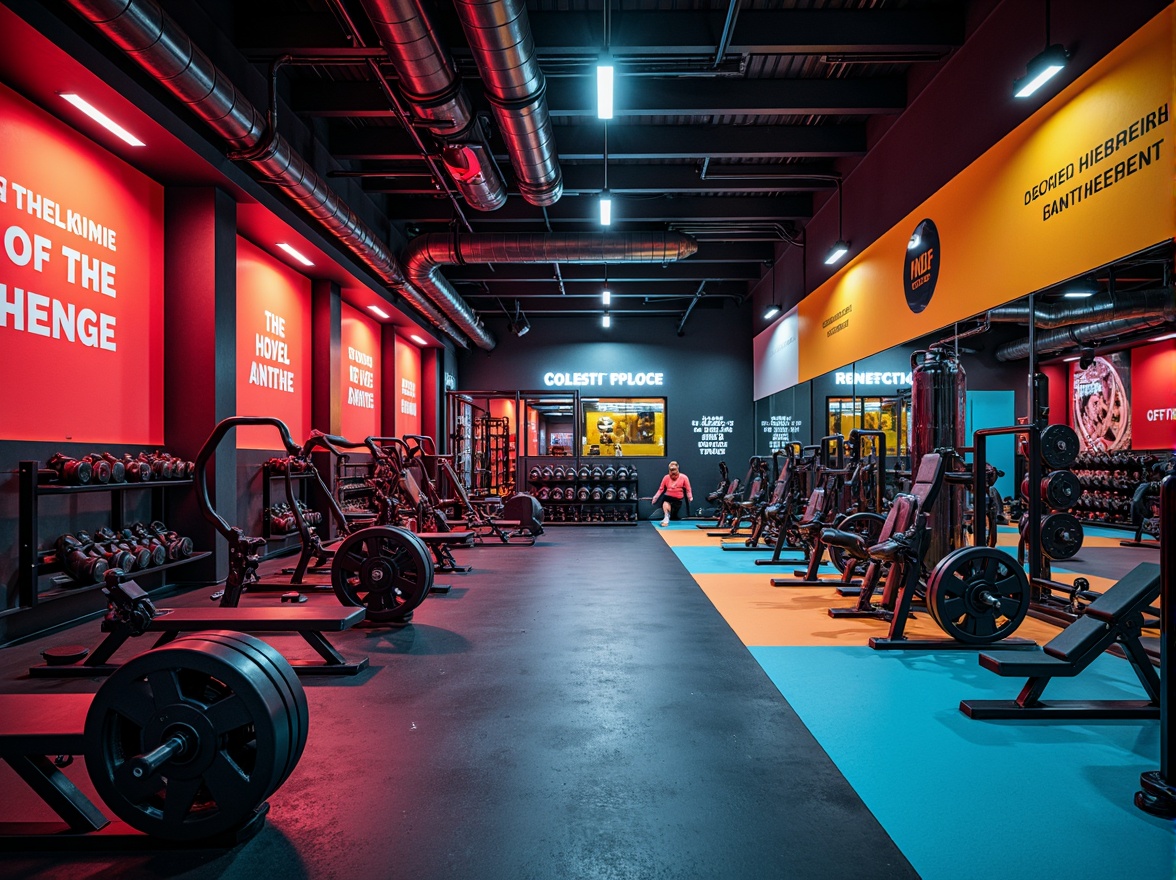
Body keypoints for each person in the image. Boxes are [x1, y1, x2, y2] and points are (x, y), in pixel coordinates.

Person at [652, 460, 692, 527]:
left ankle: (669, 516)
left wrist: (690, 497)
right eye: (671, 471)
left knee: (675, 513)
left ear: (677, 470)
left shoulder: (684, 477)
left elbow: (688, 489)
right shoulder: (666, 477)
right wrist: (655, 498)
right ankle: (666, 517)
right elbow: (661, 489)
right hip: (668, 498)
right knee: (665, 501)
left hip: (678, 500)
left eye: (674, 472)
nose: (673, 475)